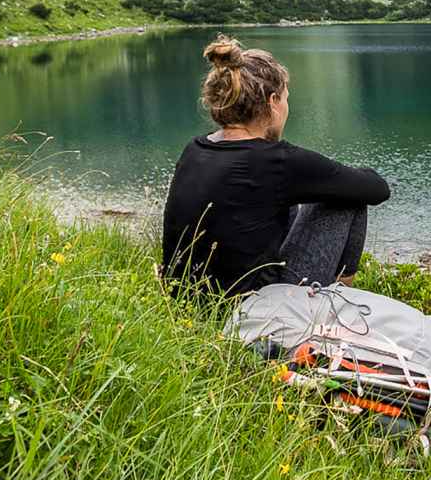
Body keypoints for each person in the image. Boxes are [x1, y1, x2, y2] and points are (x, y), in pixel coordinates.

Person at [161, 34, 390, 296]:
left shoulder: (194, 149)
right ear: (272, 102)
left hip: (185, 302)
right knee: (348, 199)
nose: (286, 107)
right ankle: (335, 305)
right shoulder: (277, 161)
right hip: (253, 311)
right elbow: (376, 189)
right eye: (285, 98)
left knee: (294, 198)